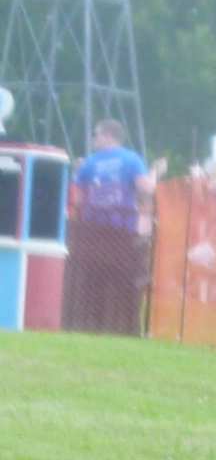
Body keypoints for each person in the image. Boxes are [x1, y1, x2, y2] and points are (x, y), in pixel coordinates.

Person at [65, 119, 153, 336]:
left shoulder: (91, 162)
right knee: (121, 280)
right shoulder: (132, 159)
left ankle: (88, 322)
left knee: (92, 278)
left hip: (92, 230)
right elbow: (146, 188)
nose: (94, 139)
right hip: (121, 230)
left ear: (108, 135)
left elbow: (76, 195)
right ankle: (121, 325)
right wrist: (155, 173)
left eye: (96, 134)